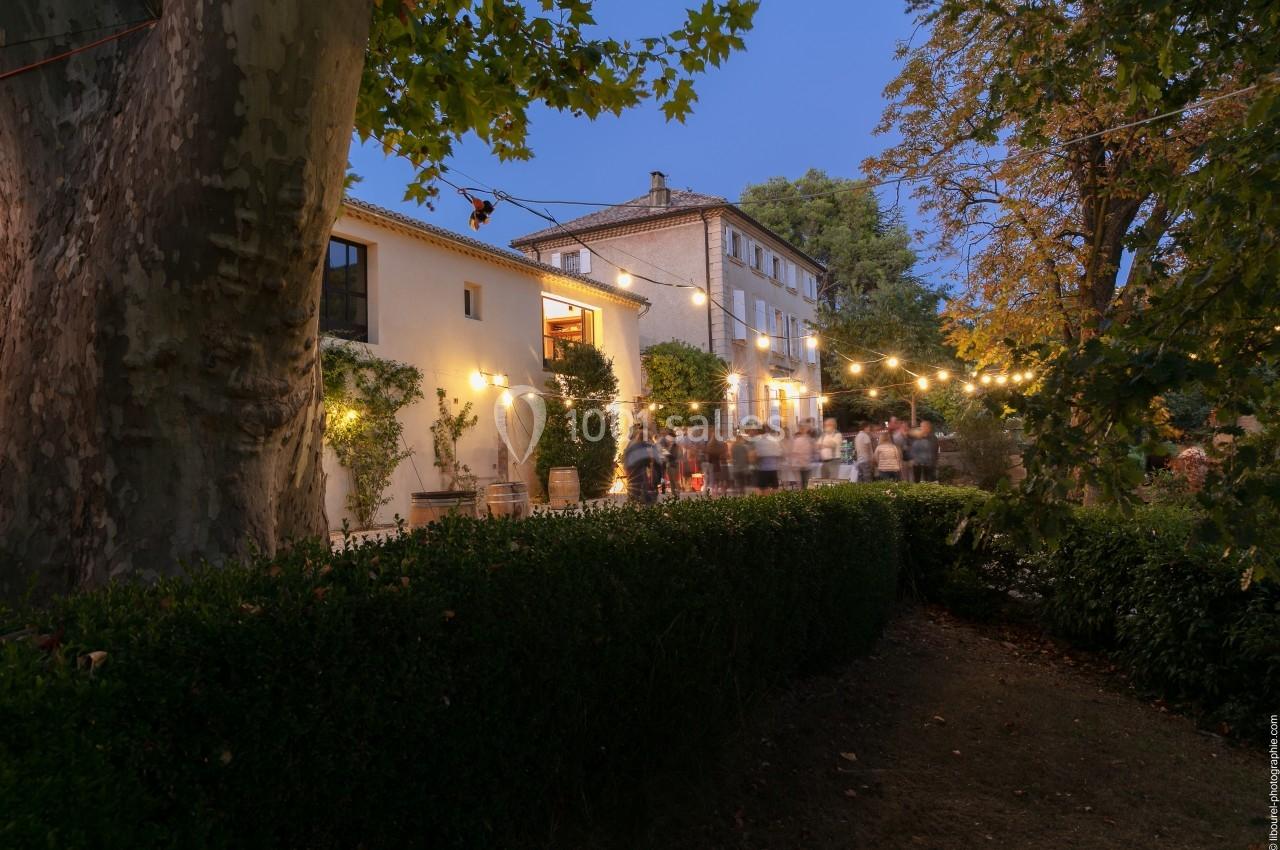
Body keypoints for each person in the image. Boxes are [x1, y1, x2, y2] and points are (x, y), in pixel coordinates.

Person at [623, 426, 661, 504]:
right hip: (643, 472)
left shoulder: (631, 446)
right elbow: (655, 461)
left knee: (634, 491)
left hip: (632, 472)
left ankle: (633, 505)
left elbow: (626, 459)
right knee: (646, 493)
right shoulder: (649, 446)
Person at [910, 419, 940, 483]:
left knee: (928, 481)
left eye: (923, 426)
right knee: (916, 481)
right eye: (921, 426)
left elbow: (933, 451)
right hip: (917, 464)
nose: (921, 428)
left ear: (928, 428)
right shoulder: (916, 438)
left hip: (928, 464)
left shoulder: (932, 438)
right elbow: (913, 449)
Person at [788, 423, 817, 489]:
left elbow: (813, 451)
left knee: (805, 483)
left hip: (805, 464)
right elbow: (795, 452)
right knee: (803, 484)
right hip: (801, 465)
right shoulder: (799, 440)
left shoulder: (809, 439)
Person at [704, 431, 727, 495]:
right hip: (719, 465)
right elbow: (723, 455)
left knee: (714, 481)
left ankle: (714, 492)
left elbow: (708, 459)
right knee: (720, 480)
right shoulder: (719, 446)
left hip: (712, 466)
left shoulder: (709, 446)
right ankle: (721, 491)